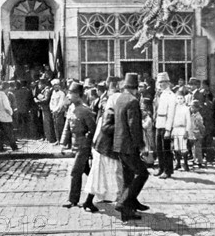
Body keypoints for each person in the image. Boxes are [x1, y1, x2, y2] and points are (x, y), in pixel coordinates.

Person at [104, 73, 149, 222]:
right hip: (129, 146)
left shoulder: (120, 99)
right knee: (142, 174)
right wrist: (141, 146)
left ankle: (127, 212)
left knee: (128, 177)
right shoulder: (133, 101)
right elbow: (133, 127)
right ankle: (123, 203)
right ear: (135, 88)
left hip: (119, 145)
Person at [83, 81, 123, 212]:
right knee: (113, 175)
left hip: (103, 149)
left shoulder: (108, 115)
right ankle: (122, 203)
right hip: (106, 150)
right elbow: (106, 130)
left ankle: (90, 201)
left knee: (99, 176)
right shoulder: (111, 116)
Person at [60, 82, 96, 209]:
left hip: (83, 146)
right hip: (75, 145)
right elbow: (67, 127)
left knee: (75, 172)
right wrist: (63, 143)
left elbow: (93, 129)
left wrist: (87, 142)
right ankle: (101, 189)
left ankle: (73, 200)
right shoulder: (71, 108)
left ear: (79, 95)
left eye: (71, 93)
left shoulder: (85, 110)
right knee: (89, 171)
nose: (69, 96)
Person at [153, 72, 176, 179]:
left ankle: (168, 170)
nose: (160, 84)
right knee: (159, 149)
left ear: (168, 83)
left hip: (166, 124)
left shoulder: (171, 95)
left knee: (166, 149)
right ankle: (161, 168)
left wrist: (168, 129)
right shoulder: (160, 94)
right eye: (159, 82)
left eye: (163, 82)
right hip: (159, 123)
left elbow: (171, 113)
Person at [172, 89, 192, 171]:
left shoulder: (186, 109)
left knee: (184, 147)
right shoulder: (174, 108)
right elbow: (172, 119)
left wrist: (187, 131)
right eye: (178, 98)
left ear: (184, 99)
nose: (179, 100)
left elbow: (188, 121)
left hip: (183, 128)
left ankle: (186, 164)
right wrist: (172, 130)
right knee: (176, 147)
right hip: (176, 128)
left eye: (181, 98)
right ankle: (178, 163)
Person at [0, 82, 18, 151]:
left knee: (1, 133)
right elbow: (7, 107)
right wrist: (11, 112)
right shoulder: (4, 96)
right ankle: (14, 146)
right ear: (7, 88)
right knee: (9, 132)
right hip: (5, 117)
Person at [50, 79, 68, 144]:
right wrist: (52, 109)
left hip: (59, 112)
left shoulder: (62, 93)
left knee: (60, 126)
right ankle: (58, 140)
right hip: (54, 112)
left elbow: (61, 103)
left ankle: (62, 141)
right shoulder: (53, 93)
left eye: (57, 86)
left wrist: (56, 110)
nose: (56, 87)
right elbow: (51, 102)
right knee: (56, 127)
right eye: (54, 86)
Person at [189, 99, 205, 168]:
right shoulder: (192, 115)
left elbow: (201, 126)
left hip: (197, 133)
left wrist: (202, 133)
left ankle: (199, 161)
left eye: (192, 107)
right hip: (192, 133)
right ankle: (195, 159)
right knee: (194, 148)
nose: (191, 109)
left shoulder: (198, 116)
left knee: (197, 148)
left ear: (196, 108)